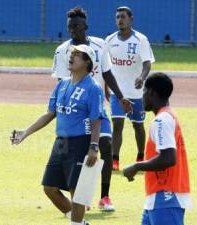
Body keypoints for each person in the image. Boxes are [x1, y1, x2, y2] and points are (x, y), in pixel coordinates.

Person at [12, 45, 104, 225]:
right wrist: (25, 132)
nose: (72, 57)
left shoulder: (93, 88)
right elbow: (50, 113)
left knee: (76, 190)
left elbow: (96, 120)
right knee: (49, 188)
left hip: (81, 142)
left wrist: (94, 147)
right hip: (61, 142)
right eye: (72, 53)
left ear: (87, 63)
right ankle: (80, 223)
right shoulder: (62, 84)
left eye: (78, 55)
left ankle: (76, 223)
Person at [52, 6, 132, 211]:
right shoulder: (62, 51)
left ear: (85, 26)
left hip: (96, 107)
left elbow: (107, 73)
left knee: (104, 145)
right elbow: (63, 82)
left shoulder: (100, 45)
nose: (72, 31)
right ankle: (81, 198)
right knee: (79, 153)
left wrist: (121, 97)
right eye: (69, 27)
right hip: (75, 112)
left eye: (76, 26)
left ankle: (105, 197)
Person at [123, 73, 192, 225]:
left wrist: (136, 166)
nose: (142, 96)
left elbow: (168, 158)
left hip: (166, 196)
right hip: (158, 198)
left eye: (144, 91)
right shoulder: (167, 116)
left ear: (151, 92)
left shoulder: (161, 120)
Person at [105, 6, 155, 170]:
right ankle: (114, 160)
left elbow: (147, 63)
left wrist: (141, 77)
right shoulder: (110, 40)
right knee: (117, 124)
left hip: (137, 93)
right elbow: (106, 67)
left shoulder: (141, 40)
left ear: (131, 19)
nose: (120, 20)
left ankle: (141, 156)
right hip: (117, 93)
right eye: (118, 17)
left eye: (123, 17)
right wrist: (106, 87)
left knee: (138, 126)